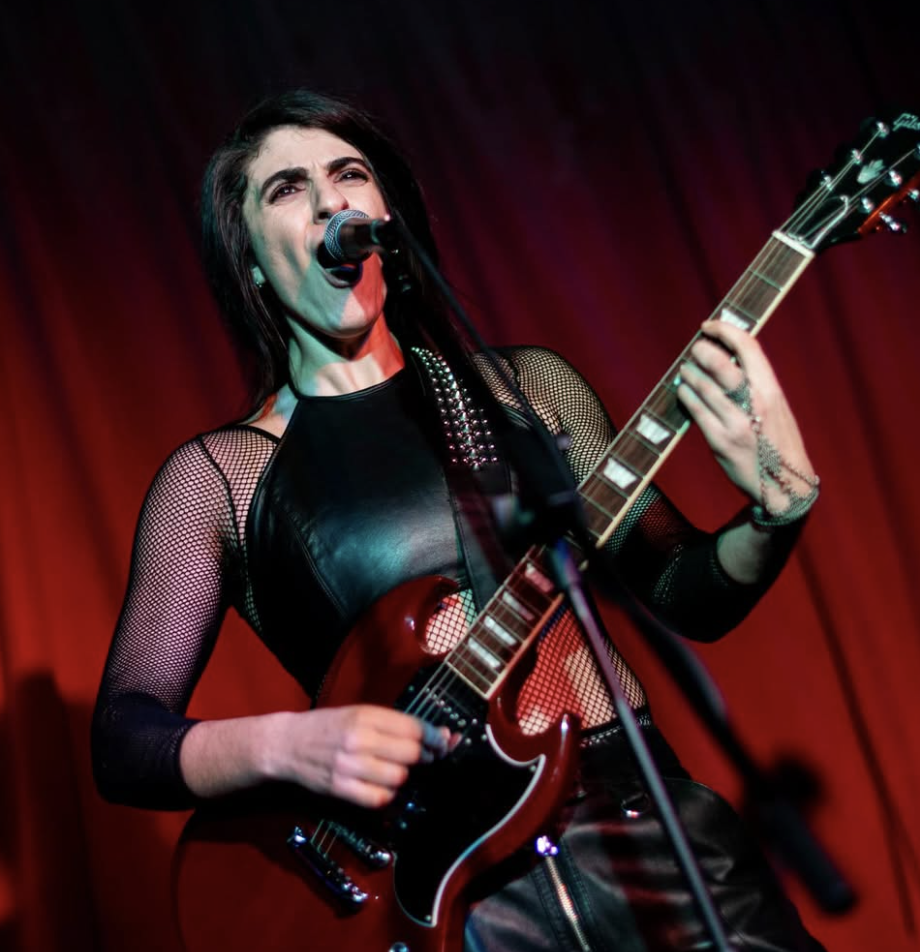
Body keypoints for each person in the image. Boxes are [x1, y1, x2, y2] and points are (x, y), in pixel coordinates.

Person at [92, 89, 826, 951]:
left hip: (649, 828)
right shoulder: (220, 478)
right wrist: (290, 746)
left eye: (349, 174)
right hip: (452, 893)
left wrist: (776, 515)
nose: (332, 201)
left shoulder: (526, 390)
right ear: (249, 257)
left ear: (384, 220)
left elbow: (687, 593)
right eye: (286, 189)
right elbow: (124, 739)